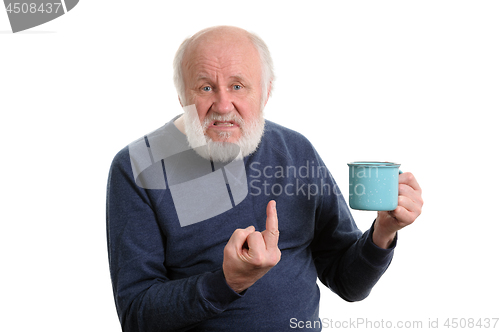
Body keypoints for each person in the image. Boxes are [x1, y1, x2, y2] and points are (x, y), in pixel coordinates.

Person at [106, 26, 423, 331]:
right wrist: (229, 281)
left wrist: (384, 231)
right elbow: (137, 317)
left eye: (238, 86)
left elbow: (348, 283)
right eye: (205, 87)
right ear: (181, 96)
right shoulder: (136, 167)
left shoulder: (296, 151)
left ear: (267, 92)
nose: (223, 104)